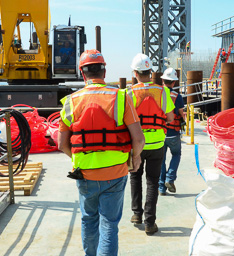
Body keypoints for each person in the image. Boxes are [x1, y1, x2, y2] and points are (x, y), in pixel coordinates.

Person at [58, 49, 145, 256]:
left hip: (85, 173)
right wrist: (134, 157)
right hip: (115, 172)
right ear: (104, 72)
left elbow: (62, 144)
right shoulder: (121, 97)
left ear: (82, 73)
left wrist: (79, 157)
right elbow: (139, 139)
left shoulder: (71, 101)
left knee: (88, 219)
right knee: (109, 224)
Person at [127, 53, 175, 235]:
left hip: (136, 144)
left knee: (135, 177)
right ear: (150, 71)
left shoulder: (129, 93)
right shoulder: (162, 91)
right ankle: (150, 222)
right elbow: (170, 117)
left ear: (135, 73)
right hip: (156, 144)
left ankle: (137, 214)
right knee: (153, 182)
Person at [158, 68, 184, 196]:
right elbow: (181, 113)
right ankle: (170, 179)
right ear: (174, 83)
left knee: (161, 159)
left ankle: (161, 188)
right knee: (176, 154)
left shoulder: (158, 94)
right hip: (174, 133)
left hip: (161, 133)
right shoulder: (177, 96)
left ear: (162, 80)